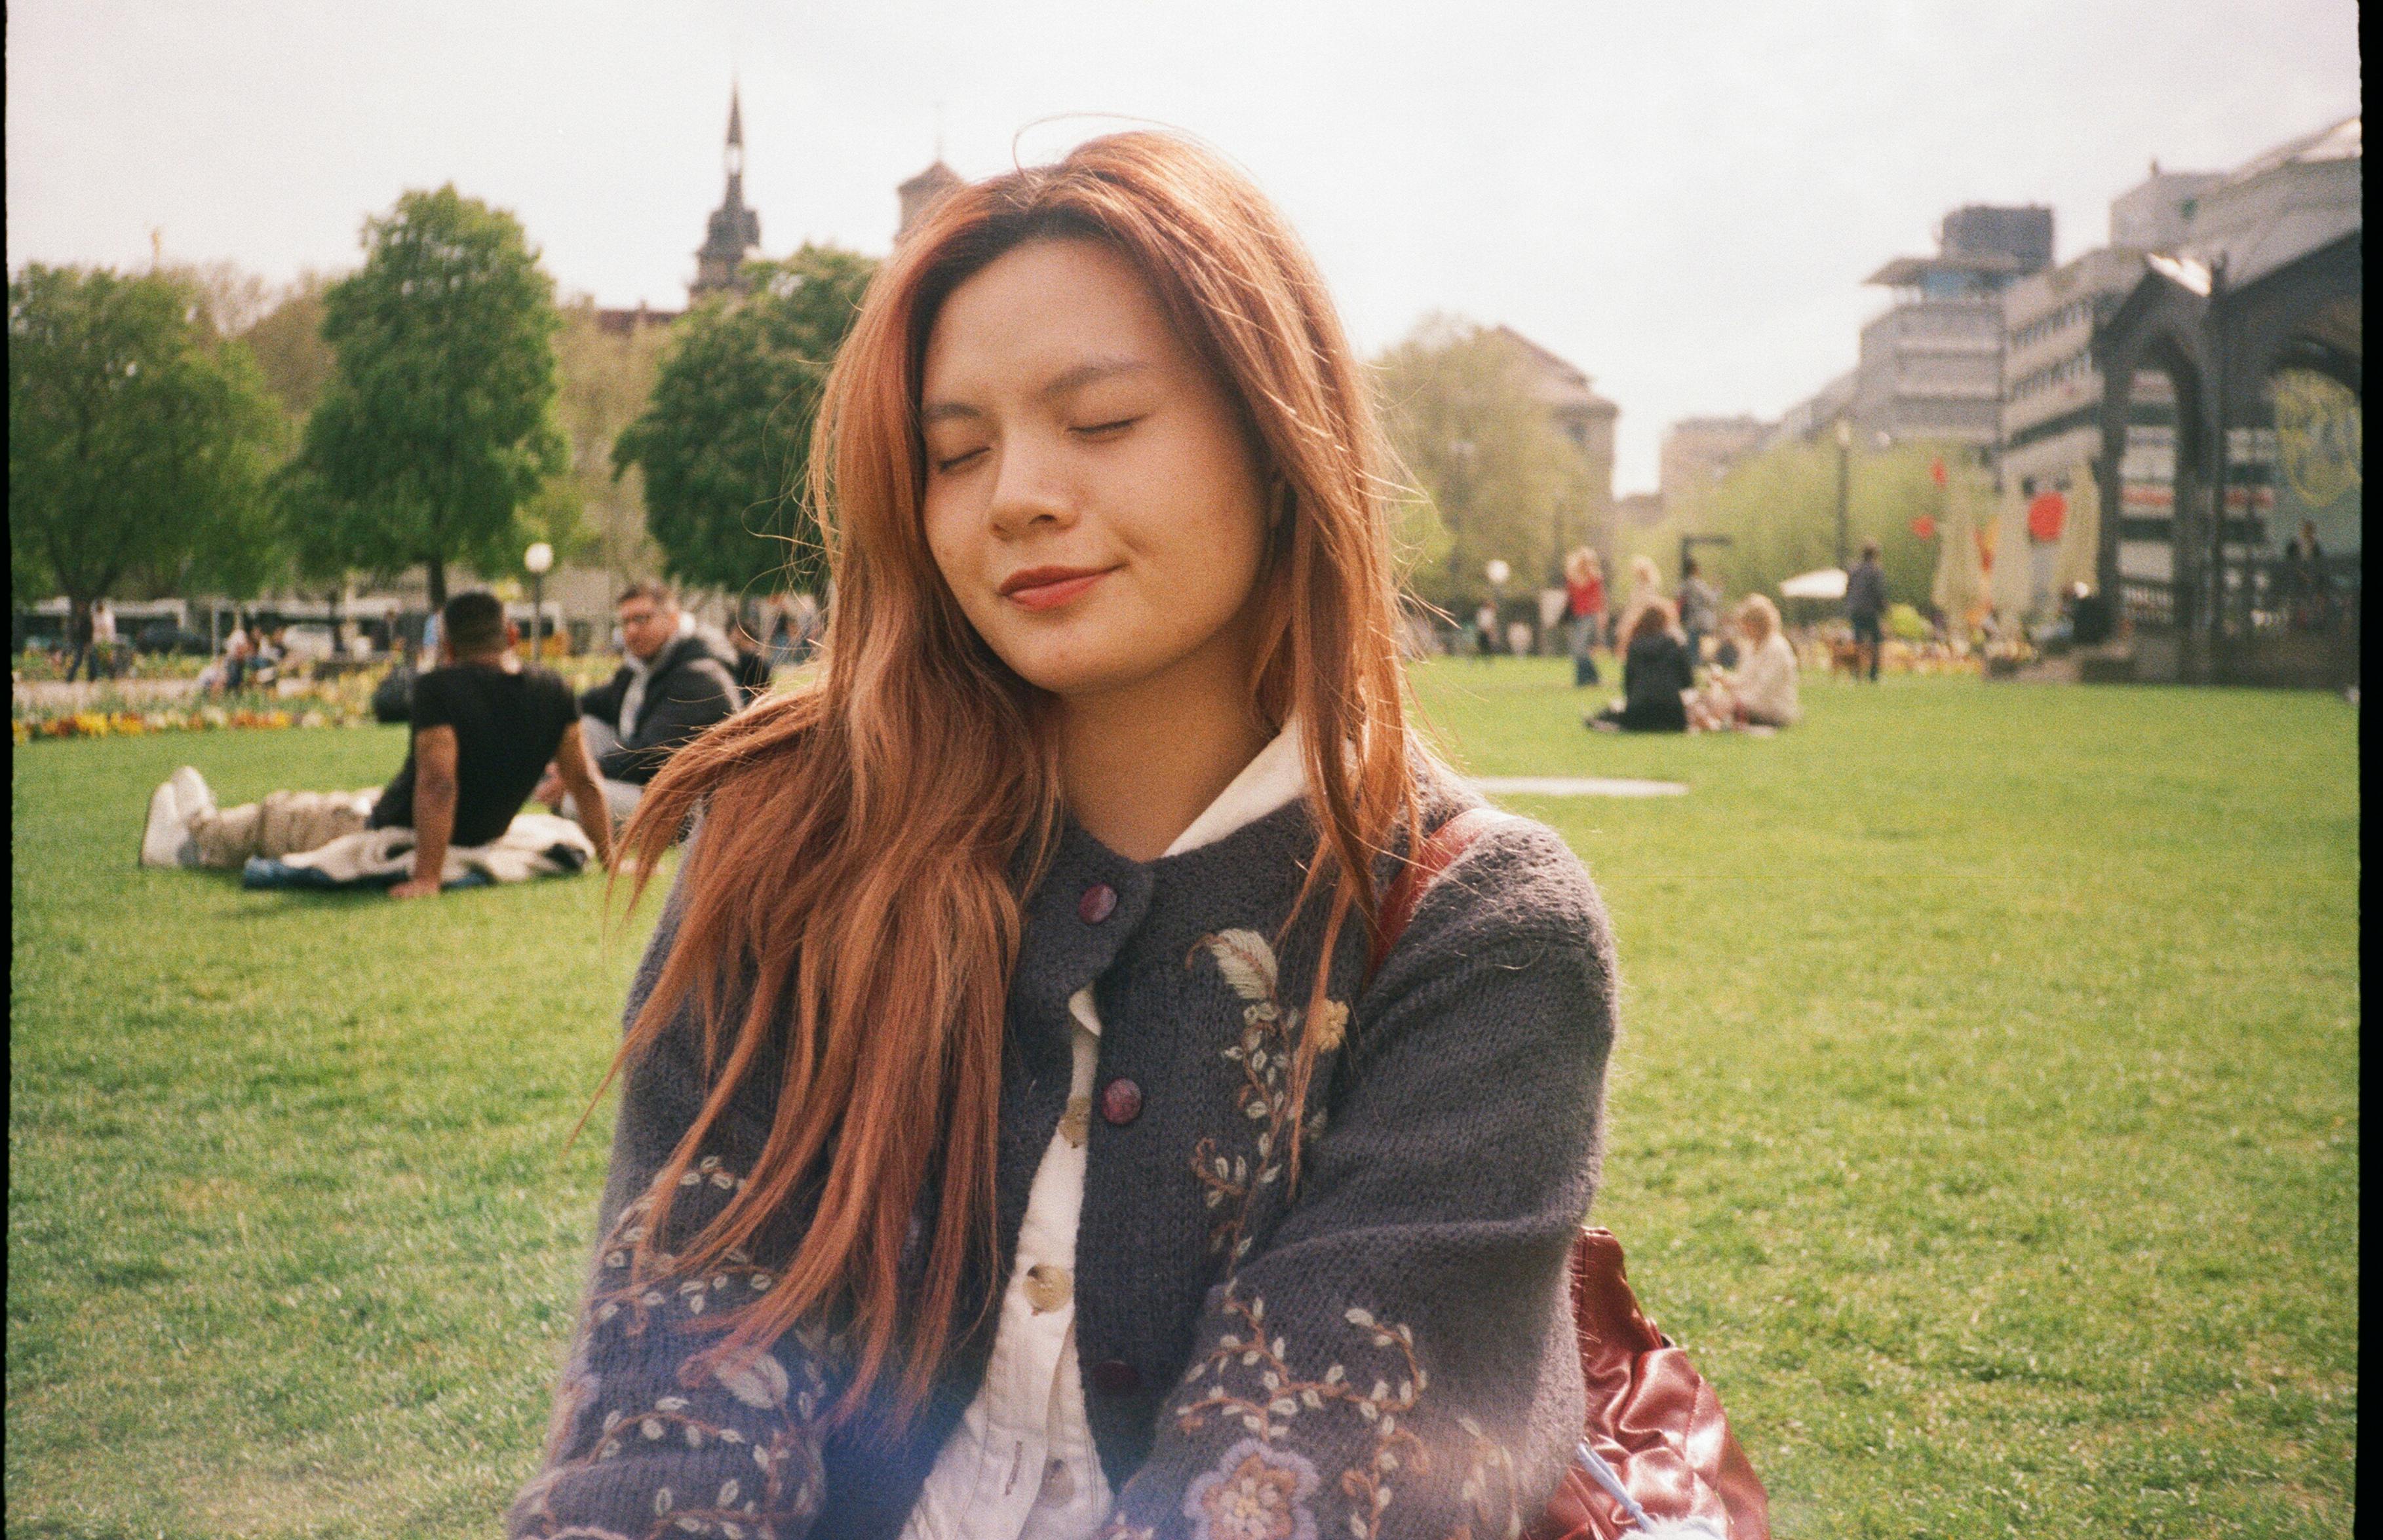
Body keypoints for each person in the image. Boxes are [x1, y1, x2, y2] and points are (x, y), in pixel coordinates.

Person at [508, 133, 1616, 1540]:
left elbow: (1298, 1489)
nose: (1015, 493)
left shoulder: (1474, 936)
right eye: (954, 450)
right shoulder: (788, 842)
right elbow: (665, 1407)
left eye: (1100, 422)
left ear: (1280, 444)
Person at [140, 590, 613, 889]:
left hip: (394, 831)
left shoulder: (439, 688)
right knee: (345, 799)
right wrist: (610, 860)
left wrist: (427, 875)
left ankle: (188, 838)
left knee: (280, 814)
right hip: (472, 828)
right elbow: (585, 782)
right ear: (510, 634)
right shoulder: (553, 688)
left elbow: (439, 783)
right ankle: (198, 825)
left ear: (447, 647)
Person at [538, 582, 742, 827]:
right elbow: (590, 704)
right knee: (583, 727)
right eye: (625, 622)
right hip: (647, 784)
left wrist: (582, 776)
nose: (632, 631)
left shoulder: (699, 675)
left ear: (673, 619)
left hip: (689, 809)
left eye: (642, 619)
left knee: (576, 798)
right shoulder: (643, 668)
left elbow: (650, 753)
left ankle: (578, 821)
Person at [1692, 595, 1801, 732]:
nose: (1744, 630)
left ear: (1758, 624)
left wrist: (1733, 702)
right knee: (1702, 700)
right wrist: (1723, 681)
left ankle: (1716, 723)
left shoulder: (1777, 649)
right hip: (1748, 702)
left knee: (1716, 705)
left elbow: (1763, 690)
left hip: (1771, 709)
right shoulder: (1751, 647)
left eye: (1747, 625)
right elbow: (1744, 680)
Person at [1589, 598, 1694, 733]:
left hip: (1638, 713)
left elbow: (1628, 684)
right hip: (1672, 714)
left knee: (1613, 711)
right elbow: (1688, 682)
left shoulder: (1635, 647)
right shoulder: (1674, 645)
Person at [1564, 547, 1607, 688]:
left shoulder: (1595, 578)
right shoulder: (1572, 578)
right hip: (1576, 616)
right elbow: (1570, 598)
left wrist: (1601, 617)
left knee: (1579, 648)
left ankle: (1585, 679)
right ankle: (1589, 679)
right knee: (1577, 649)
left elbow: (1598, 599)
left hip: (1589, 615)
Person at [1846, 540, 1888, 683]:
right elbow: (1878, 592)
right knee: (1875, 642)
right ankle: (1873, 674)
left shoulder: (1853, 570)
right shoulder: (1876, 571)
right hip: (1870, 611)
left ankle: (1857, 674)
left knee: (1858, 642)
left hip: (1855, 610)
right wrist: (1884, 610)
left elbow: (1848, 590)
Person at [1676, 557, 1719, 673]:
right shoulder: (1698, 584)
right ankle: (1704, 671)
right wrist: (1717, 590)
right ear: (1695, 569)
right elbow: (1712, 600)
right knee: (1705, 651)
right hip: (1702, 622)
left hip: (1689, 621)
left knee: (1692, 650)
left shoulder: (1683, 585)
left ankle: (1693, 671)